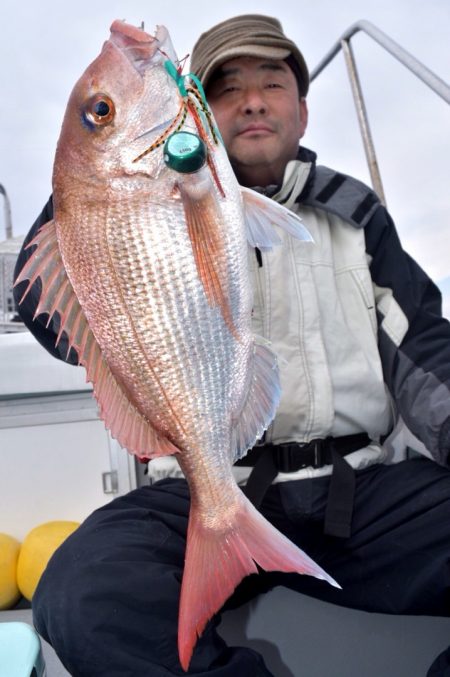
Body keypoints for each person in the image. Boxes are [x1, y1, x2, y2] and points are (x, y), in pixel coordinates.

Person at [14, 14, 450, 677]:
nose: (252, 100)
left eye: (272, 83)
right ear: (199, 110)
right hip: (202, 485)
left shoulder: (354, 214)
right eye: (227, 87)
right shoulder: (132, 201)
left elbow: (427, 356)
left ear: (302, 112)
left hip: (361, 492)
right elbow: (55, 320)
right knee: (80, 595)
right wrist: (86, 193)